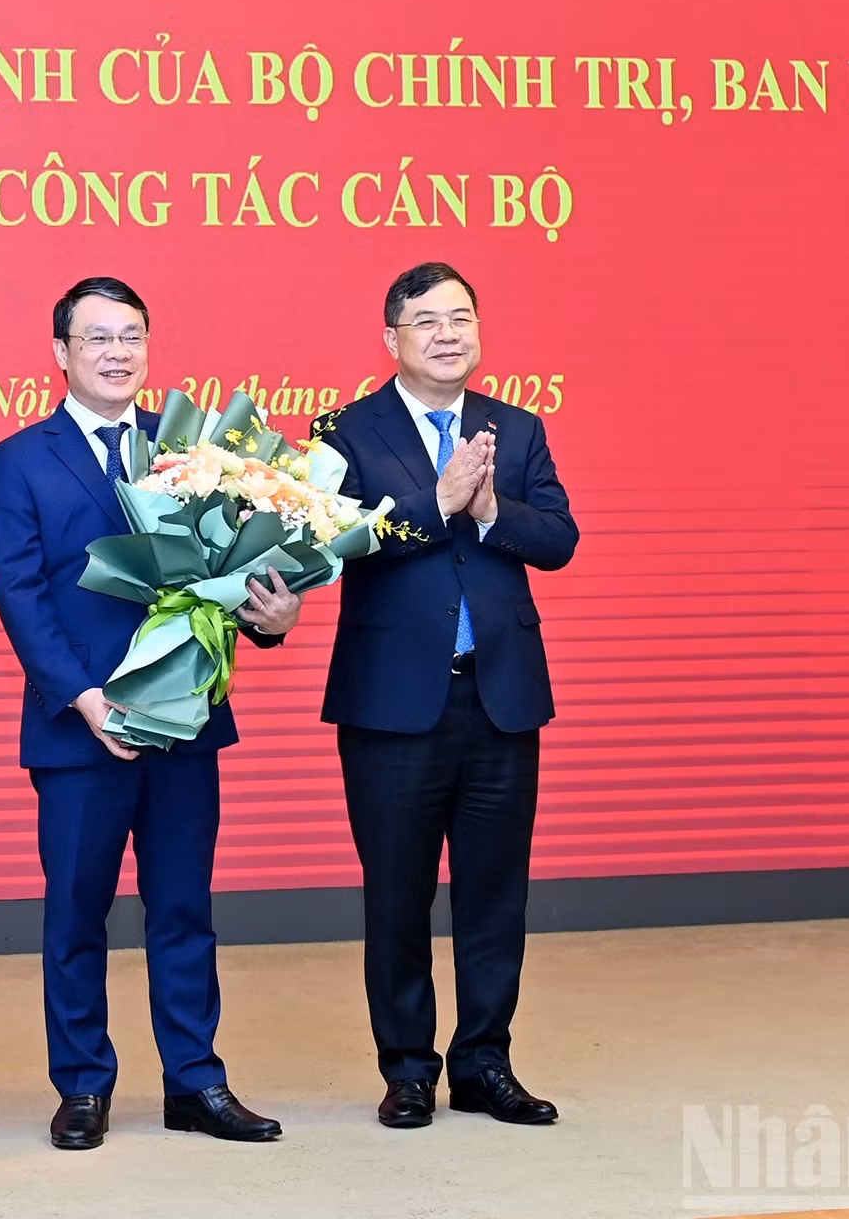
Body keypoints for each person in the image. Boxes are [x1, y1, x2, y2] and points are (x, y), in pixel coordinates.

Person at [0, 276, 302, 1151]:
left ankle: (196, 1081)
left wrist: (271, 617)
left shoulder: (194, 450)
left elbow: (233, 572)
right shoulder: (21, 458)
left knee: (184, 910)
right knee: (75, 915)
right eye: (97, 338)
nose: (116, 353)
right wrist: (89, 702)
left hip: (186, 722)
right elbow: (20, 595)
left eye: (131, 336)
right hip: (79, 728)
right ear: (61, 352)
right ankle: (83, 1084)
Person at [312, 261, 578, 1130]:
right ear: (391, 338)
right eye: (426, 321)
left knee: (495, 896)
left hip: (500, 697)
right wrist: (439, 501)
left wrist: (493, 511)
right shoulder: (345, 431)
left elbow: (560, 539)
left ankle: (485, 1064)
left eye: (461, 318)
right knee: (397, 896)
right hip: (392, 705)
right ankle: (407, 1070)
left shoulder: (517, 428)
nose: (447, 334)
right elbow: (337, 544)